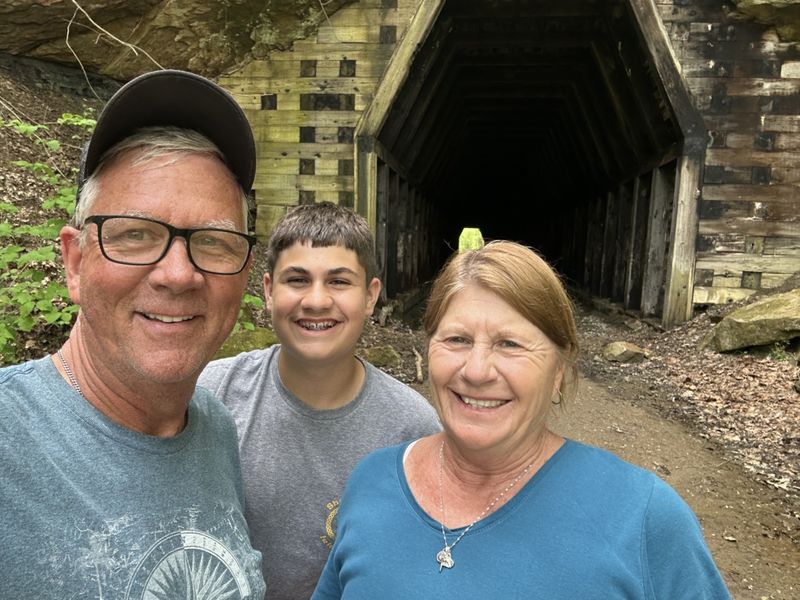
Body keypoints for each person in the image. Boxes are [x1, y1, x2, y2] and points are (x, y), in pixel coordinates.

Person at [311, 240, 733, 599]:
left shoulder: (644, 519)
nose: (477, 371)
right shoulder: (372, 481)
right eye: (456, 339)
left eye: (510, 344)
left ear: (561, 370)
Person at [0, 69, 267, 598]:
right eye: (136, 235)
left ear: (245, 270)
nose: (178, 274)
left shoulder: (213, 428)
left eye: (213, 241)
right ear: (75, 263)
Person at [198, 201, 442, 600]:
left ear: (370, 295)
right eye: (296, 279)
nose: (316, 300)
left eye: (339, 282)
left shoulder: (413, 430)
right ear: (267, 291)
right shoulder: (213, 396)